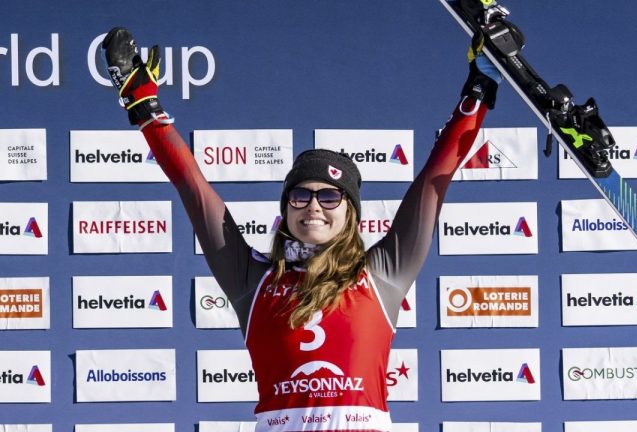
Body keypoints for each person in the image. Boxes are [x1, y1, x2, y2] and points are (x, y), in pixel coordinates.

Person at [101, 27, 501, 432]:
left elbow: (436, 178)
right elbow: (194, 189)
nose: (313, 206)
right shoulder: (252, 279)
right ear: (286, 207)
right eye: (300, 196)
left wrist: (479, 90)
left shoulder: (381, 274)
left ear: (351, 213)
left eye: (330, 197)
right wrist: (144, 106)